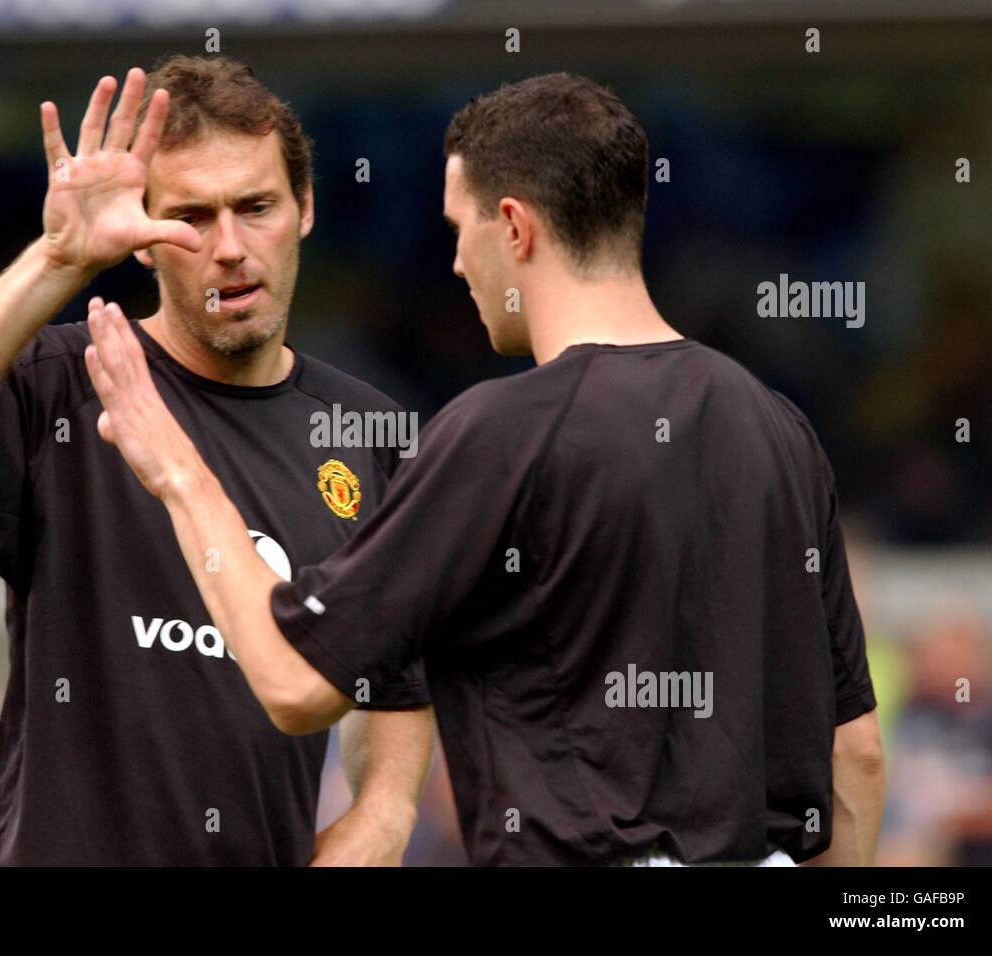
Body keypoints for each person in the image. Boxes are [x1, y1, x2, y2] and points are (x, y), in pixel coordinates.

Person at [81, 72, 885, 866]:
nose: (458, 264)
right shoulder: (781, 430)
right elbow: (855, 758)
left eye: (458, 229)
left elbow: (295, 683)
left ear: (514, 227)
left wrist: (176, 467)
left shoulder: (501, 433)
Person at [0, 56, 433, 865]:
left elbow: (400, 666)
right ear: (145, 238)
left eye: (256, 206)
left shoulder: (371, 433)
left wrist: (384, 810)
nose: (229, 246)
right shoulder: (68, 382)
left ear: (305, 209)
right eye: (191, 216)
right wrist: (58, 259)